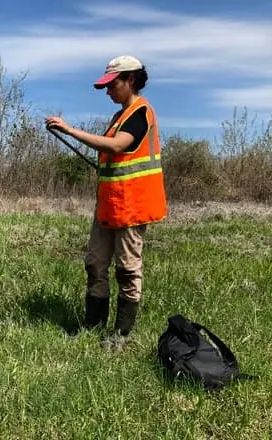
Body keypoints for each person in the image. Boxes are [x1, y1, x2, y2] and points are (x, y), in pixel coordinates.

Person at [44, 55, 167, 345]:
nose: (109, 91)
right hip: (110, 205)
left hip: (133, 206)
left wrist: (71, 130)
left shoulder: (140, 112)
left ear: (131, 80)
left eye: (113, 85)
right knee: (95, 263)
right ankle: (93, 326)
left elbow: (118, 145)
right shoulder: (120, 116)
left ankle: (121, 335)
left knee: (127, 269)